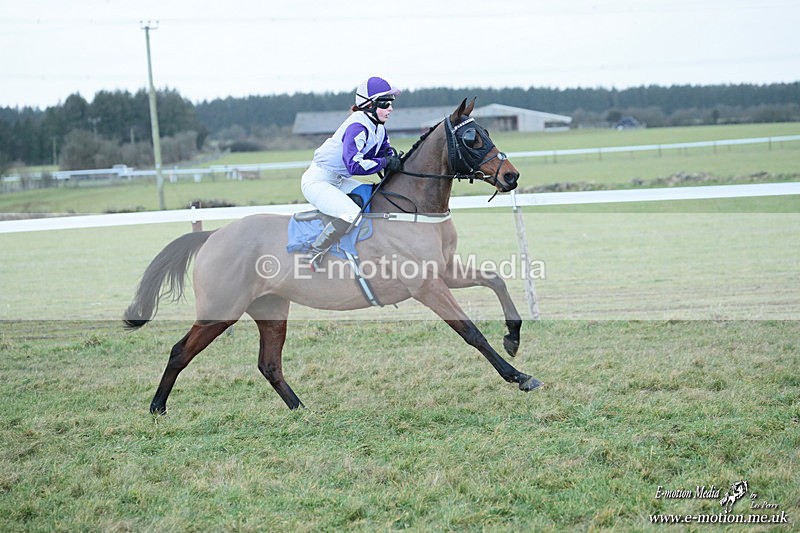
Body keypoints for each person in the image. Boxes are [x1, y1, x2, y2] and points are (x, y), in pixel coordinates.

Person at [300, 76, 403, 269]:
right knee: (350, 213)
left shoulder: (378, 127)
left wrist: (394, 160)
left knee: (375, 198)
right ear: (369, 105)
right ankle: (312, 255)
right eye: (385, 103)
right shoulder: (357, 126)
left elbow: (386, 152)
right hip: (318, 181)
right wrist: (384, 162)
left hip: (338, 180)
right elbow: (354, 166)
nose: (390, 108)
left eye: (391, 103)